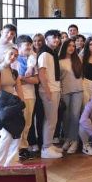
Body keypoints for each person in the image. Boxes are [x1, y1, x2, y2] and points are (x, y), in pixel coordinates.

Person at [0, 46, 25, 167]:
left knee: (17, 134)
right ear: (4, 54)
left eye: (16, 55)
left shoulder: (14, 72)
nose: (13, 57)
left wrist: (21, 104)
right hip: (2, 107)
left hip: (15, 105)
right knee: (6, 136)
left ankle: (11, 162)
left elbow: (19, 90)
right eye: (11, 54)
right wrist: (10, 106)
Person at [37, 29, 63, 159]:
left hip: (55, 89)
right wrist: (47, 91)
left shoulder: (52, 52)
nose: (57, 40)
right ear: (46, 39)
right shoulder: (45, 54)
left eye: (58, 37)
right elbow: (41, 73)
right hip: (49, 90)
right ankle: (46, 148)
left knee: (53, 119)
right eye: (54, 37)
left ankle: (49, 144)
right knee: (50, 120)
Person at [15, 35, 39, 161]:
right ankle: (16, 148)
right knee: (18, 122)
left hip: (30, 95)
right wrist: (22, 79)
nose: (29, 47)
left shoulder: (32, 59)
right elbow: (13, 78)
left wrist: (23, 78)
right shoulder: (14, 59)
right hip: (17, 95)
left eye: (30, 45)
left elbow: (36, 80)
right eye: (26, 45)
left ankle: (23, 147)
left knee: (28, 122)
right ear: (18, 47)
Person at [59, 38, 84, 154]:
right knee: (66, 116)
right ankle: (68, 138)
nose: (71, 48)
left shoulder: (77, 58)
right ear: (65, 47)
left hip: (78, 91)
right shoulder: (59, 61)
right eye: (69, 45)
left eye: (73, 46)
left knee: (75, 116)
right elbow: (57, 79)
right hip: (65, 91)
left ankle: (75, 140)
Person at [28, 33, 45, 154]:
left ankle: (42, 141)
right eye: (34, 41)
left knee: (41, 116)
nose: (37, 43)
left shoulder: (45, 54)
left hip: (42, 89)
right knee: (30, 117)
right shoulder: (29, 56)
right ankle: (32, 141)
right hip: (31, 88)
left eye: (39, 40)